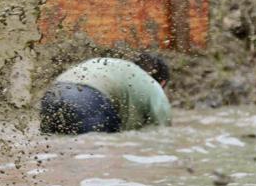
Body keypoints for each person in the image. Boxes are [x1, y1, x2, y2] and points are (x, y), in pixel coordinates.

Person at [39, 53, 171, 134]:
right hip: (88, 100)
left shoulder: (120, 68)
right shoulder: (153, 86)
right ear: (163, 82)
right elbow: (162, 131)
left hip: (53, 95)